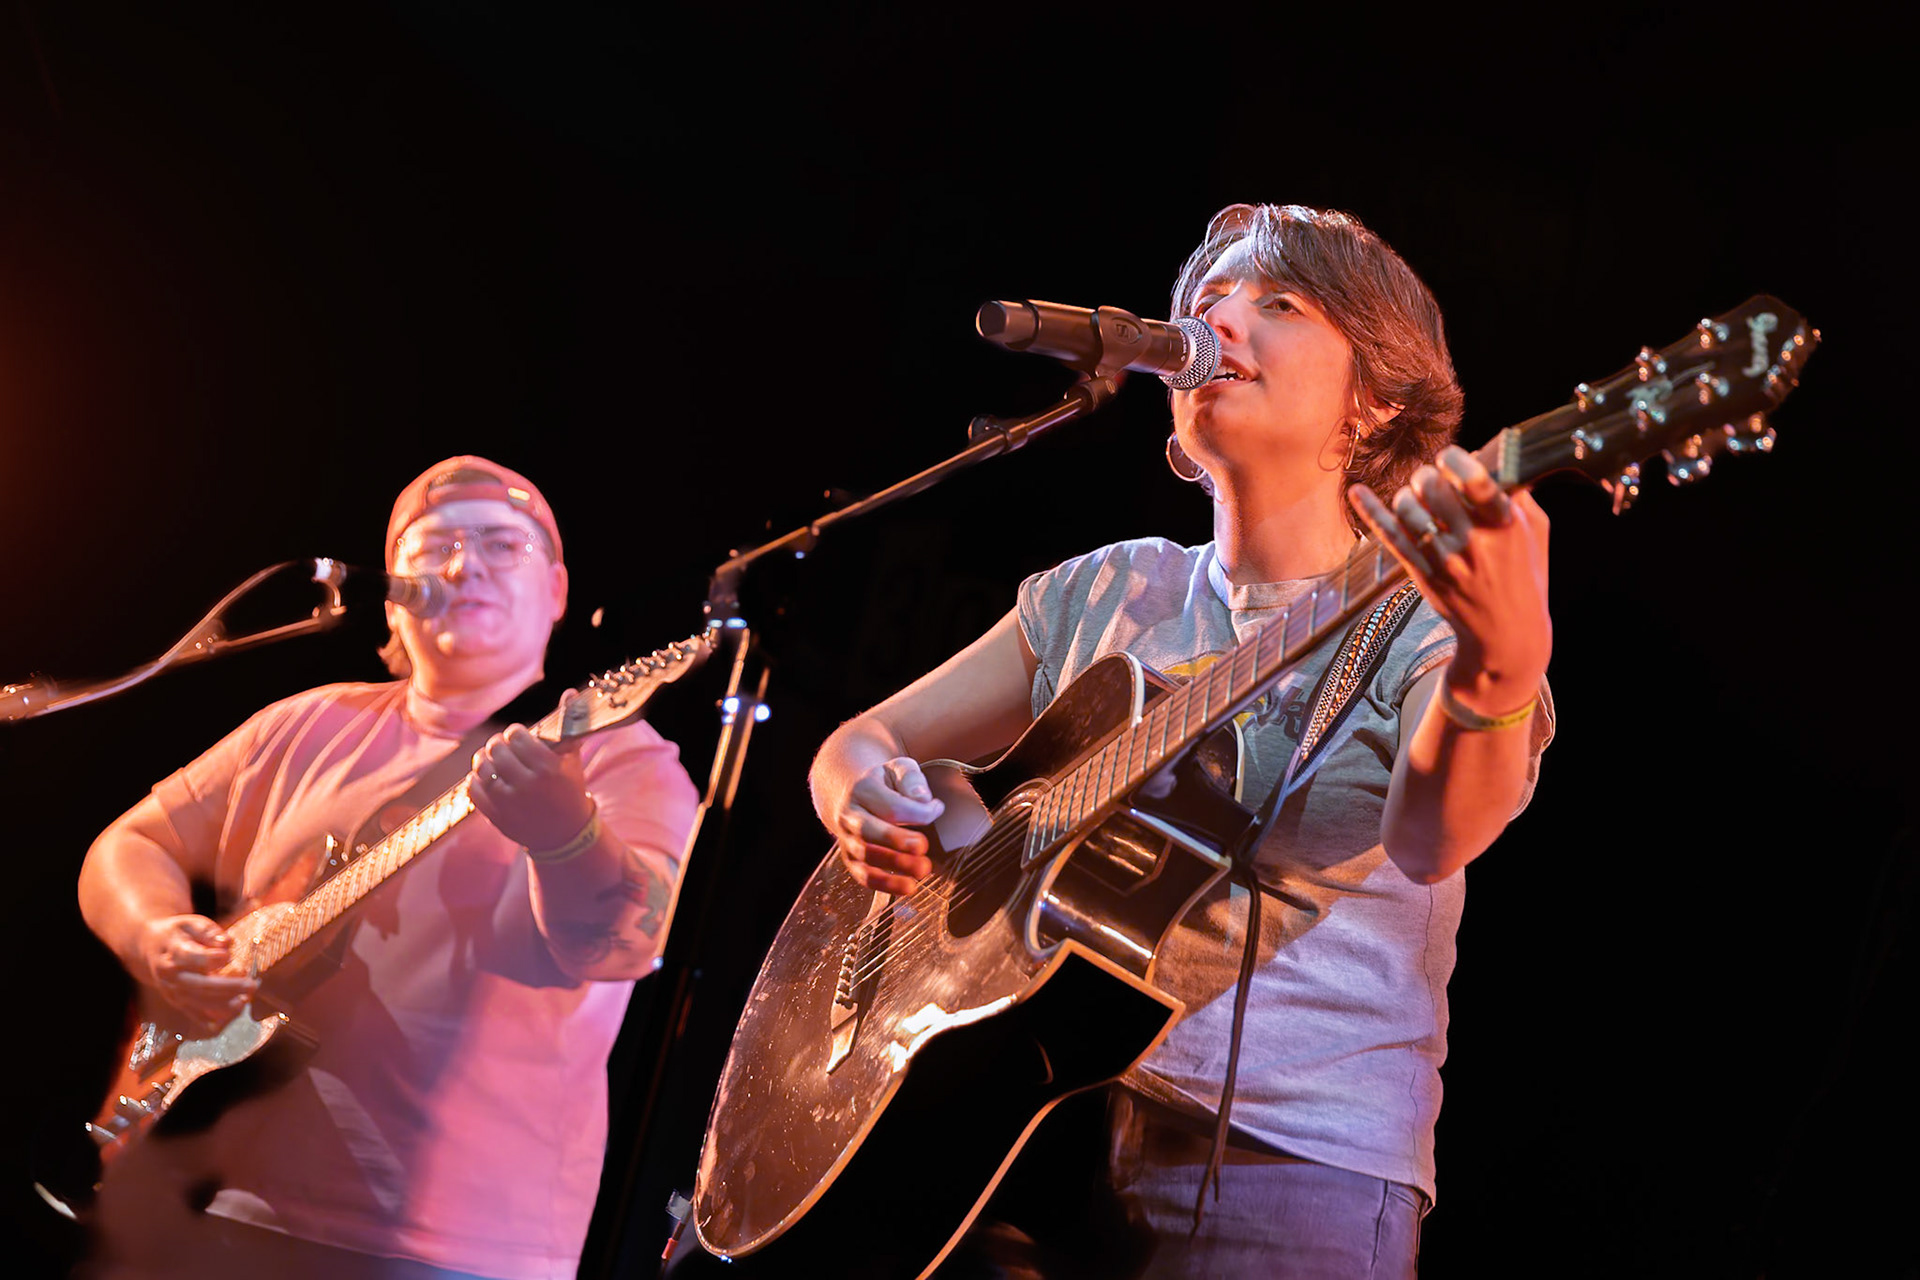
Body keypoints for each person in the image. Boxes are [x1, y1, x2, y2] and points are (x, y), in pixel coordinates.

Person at [803, 203, 1555, 1277]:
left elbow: (1437, 836)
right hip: (1018, 1131)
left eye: (1280, 304)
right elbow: (862, 739)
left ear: (1376, 401)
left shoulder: (1416, 611)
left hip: (1287, 1164)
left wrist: (1503, 664)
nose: (1220, 322)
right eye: (1205, 306)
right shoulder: (1108, 589)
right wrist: (864, 797)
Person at [72, 456, 703, 1280]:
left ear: (556, 591)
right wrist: (157, 938)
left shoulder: (624, 759)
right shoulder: (306, 724)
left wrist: (566, 836)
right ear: (391, 593)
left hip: (461, 1248)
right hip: (216, 1206)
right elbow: (127, 846)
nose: (461, 565)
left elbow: (628, 943)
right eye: (432, 546)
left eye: (501, 545)